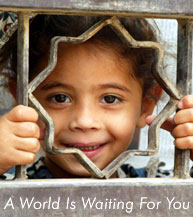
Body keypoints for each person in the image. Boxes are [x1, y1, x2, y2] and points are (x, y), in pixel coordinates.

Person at [0, 14, 192, 179]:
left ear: (146, 105)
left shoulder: (158, 188)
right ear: (23, 99)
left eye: (110, 99)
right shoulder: (10, 187)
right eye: (60, 98)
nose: (84, 121)